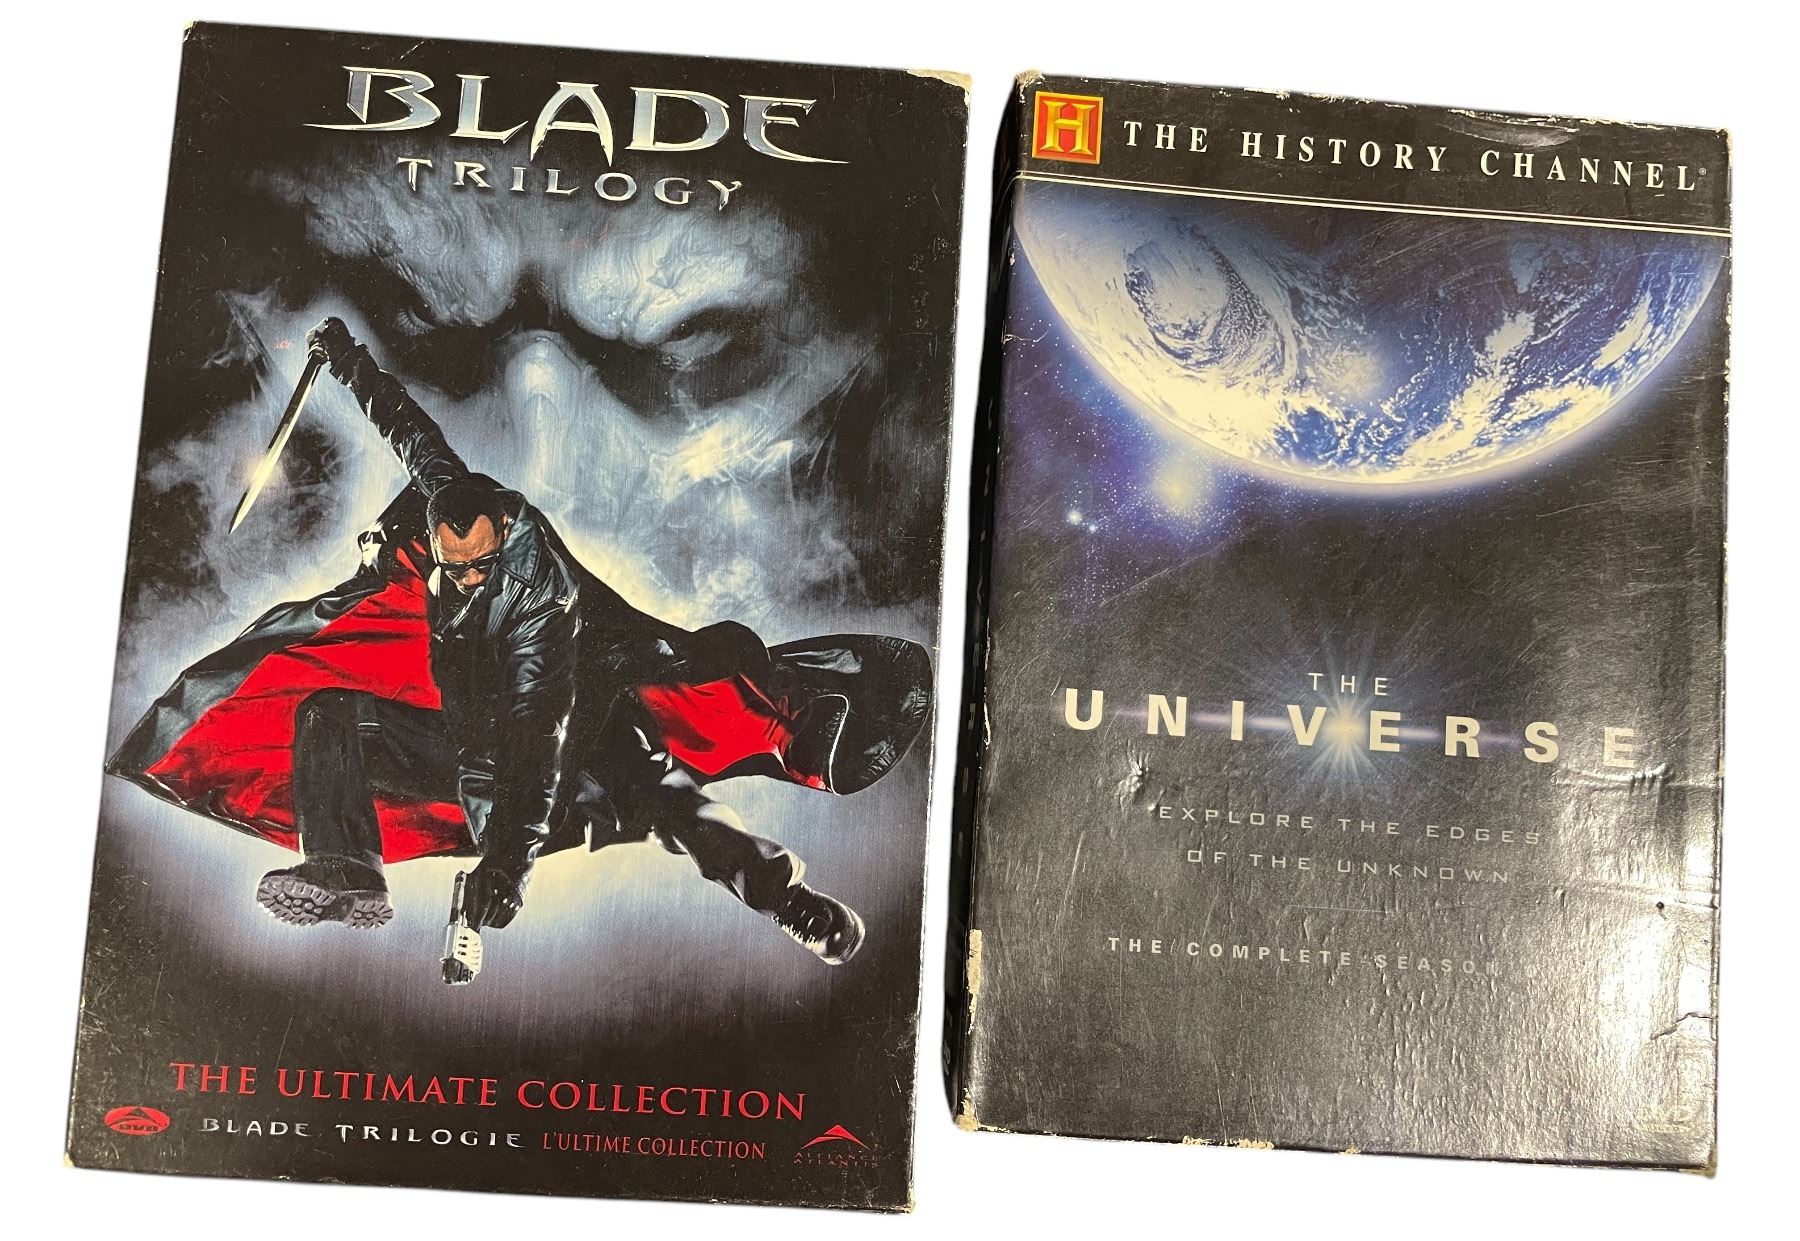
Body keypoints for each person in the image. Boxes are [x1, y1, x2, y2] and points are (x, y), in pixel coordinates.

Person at [243, 317, 874, 962]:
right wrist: (346, 358)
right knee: (328, 716)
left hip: (587, 721)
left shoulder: (541, 604)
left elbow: (539, 740)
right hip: (488, 742)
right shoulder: (453, 505)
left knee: (669, 805)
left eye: (480, 567)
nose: (466, 581)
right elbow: (408, 429)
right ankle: (345, 865)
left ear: (503, 532)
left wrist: (508, 867)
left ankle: (786, 899)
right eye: (452, 567)